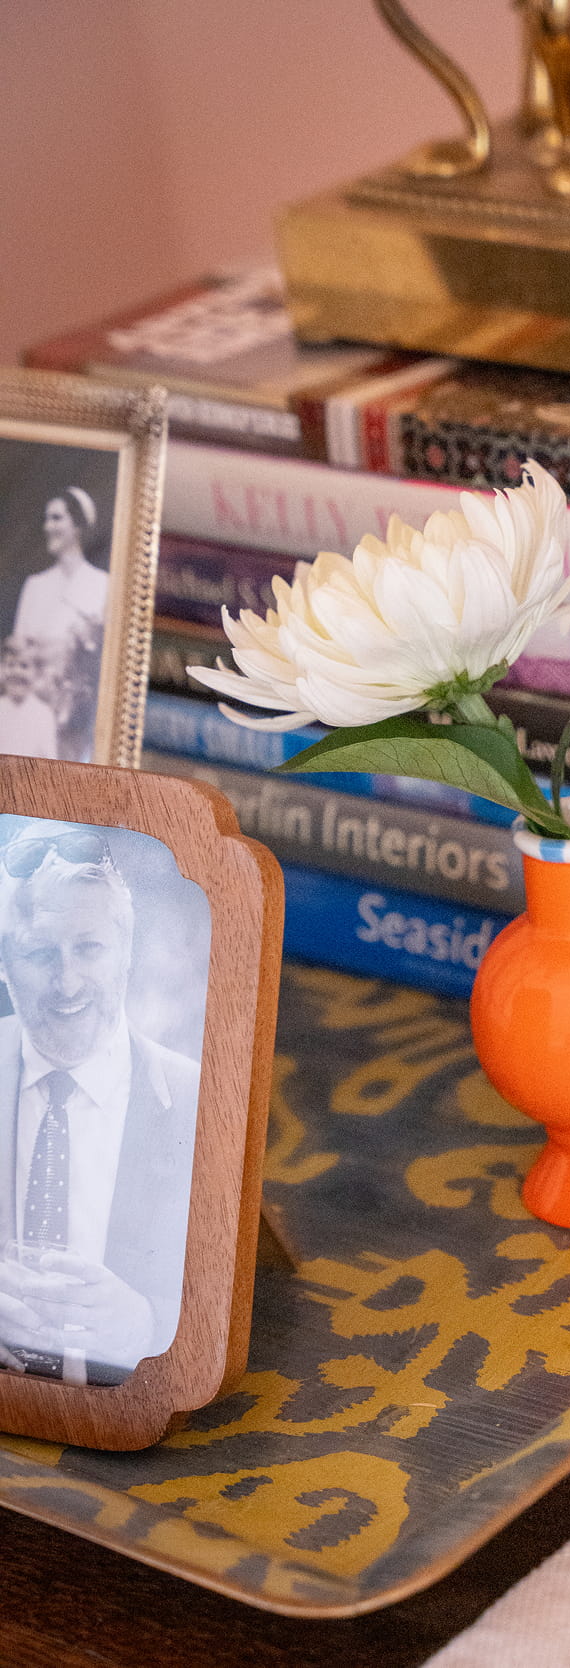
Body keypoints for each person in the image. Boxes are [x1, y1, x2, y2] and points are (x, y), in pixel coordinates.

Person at [0, 825, 200, 1386]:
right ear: (2, 964)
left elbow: (206, 1296)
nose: (68, 984)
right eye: (40, 952)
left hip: (135, 1438)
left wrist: (143, 1326)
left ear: (126, 954)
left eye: (88, 948)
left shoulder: (195, 1098)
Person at [12, 489, 108, 763]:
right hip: (34, 713)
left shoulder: (103, 585)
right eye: (47, 519)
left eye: (56, 518)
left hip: (78, 716)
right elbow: (19, 653)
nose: (48, 527)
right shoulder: (35, 586)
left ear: (77, 525)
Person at [0, 637, 58, 759]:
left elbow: (48, 759)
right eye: (11, 665)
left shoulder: (43, 715)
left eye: (24, 666)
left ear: (37, 673)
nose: (17, 672)